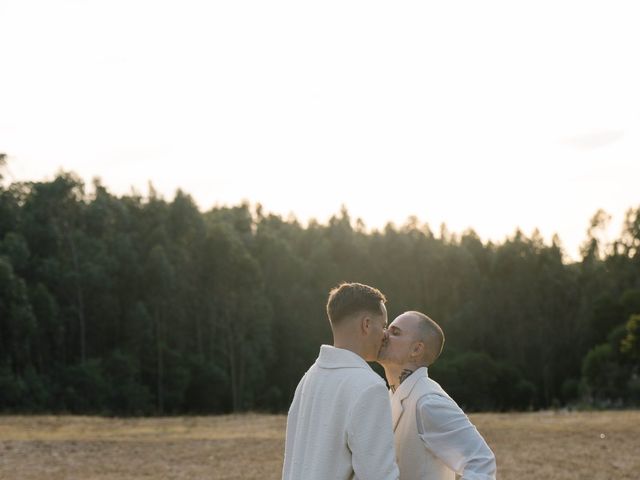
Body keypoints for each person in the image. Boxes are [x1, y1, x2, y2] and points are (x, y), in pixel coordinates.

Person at [282, 282, 399, 480]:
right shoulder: (370, 387)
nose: (385, 334)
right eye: (384, 325)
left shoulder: (310, 377)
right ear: (367, 324)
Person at [377, 311, 496, 480]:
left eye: (395, 333)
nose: (384, 335)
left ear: (416, 349)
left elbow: (482, 463)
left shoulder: (428, 402)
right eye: (386, 329)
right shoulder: (390, 396)